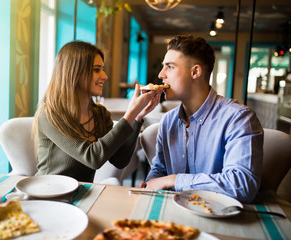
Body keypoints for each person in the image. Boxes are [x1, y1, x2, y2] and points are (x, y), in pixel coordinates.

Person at [140, 35, 263, 203]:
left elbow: (242, 186)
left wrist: (173, 180)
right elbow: (160, 170)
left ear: (195, 72)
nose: (161, 75)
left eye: (170, 67)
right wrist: (151, 183)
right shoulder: (168, 121)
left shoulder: (239, 119)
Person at [33, 41, 162, 182]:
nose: (105, 76)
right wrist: (130, 114)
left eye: (103, 69)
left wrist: (137, 117)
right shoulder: (50, 114)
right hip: (47, 193)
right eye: (96, 70)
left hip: (81, 194)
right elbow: (93, 158)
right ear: (74, 73)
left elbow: (120, 161)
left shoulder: (100, 114)